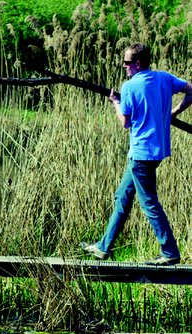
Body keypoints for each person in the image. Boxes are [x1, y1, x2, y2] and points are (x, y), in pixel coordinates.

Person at [81, 43, 192, 265]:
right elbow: (191, 89)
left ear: (138, 63)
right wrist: (175, 112)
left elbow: (125, 122)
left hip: (141, 154)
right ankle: (103, 247)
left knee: (149, 203)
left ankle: (170, 252)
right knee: (122, 196)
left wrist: (115, 103)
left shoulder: (130, 86)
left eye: (127, 62)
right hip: (154, 152)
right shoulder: (164, 78)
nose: (124, 65)